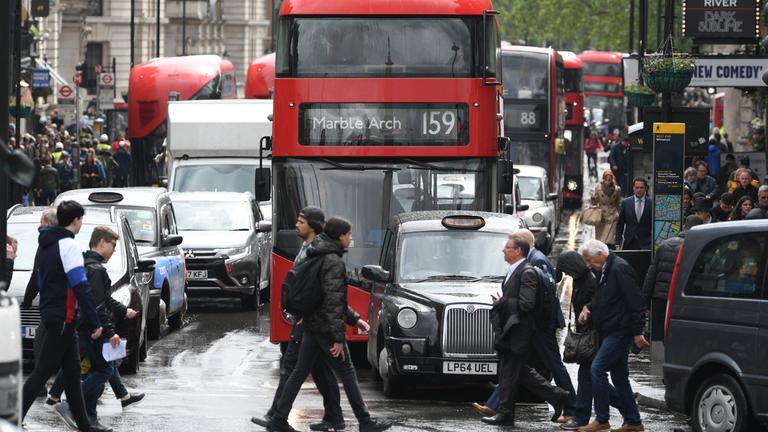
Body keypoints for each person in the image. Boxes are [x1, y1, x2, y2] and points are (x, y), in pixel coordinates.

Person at [266, 217, 392, 432]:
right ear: (340, 236)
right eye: (349, 235)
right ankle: (365, 421)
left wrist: (354, 319)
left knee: (298, 372)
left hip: (311, 327)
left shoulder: (316, 253)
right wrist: (338, 338)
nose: (350, 239)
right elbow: (333, 303)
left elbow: (328, 298)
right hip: (325, 329)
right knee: (348, 373)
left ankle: (278, 419)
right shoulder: (333, 261)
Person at [21, 201, 111, 432]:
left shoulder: (45, 244)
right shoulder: (68, 245)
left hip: (54, 314)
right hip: (65, 316)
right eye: (81, 219)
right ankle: (11, 416)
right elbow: (80, 286)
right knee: (42, 372)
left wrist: (30, 301)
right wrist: (94, 322)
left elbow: (39, 280)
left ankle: (83, 424)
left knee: (72, 375)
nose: (81, 223)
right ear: (75, 220)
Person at [473, 230, 576, 423]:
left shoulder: (529, 269)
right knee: (517, 370)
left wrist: (503, 303)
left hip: (521, 329)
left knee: (512, 368)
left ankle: (505, 412)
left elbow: (527, 303)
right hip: (515, 329)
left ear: (518, 250)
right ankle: (556, 397)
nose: (503, 250)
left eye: (507, 247)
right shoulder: (515, 269)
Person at [577, 239, 647, 432]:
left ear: (600, 255)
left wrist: (638, 331)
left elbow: (636, 301)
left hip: (620, 330)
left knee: (597, 369)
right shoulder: (605, 269)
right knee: (619, 377)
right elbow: (602, 297)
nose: (588, 264)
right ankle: (633, 421)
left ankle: (602, 419)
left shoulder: (619, 269)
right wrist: (589, 307)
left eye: (589, 260)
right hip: (611, 329)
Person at [556, 251, 625, 431]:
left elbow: (599, 304)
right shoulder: (580, 279)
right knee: (590, 377)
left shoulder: (591, 279)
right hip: (589, 334)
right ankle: (627, 407)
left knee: (587, 376)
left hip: (595, 335)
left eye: (567, 270)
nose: (567, 275)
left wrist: (587, 314)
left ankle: (582, 417)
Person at [641, 215, 703, 341]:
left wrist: (644, 302)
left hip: (660, 297)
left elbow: (651, 275)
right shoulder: (696, 248)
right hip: (680, 299)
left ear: (684, 226)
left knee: (658, 335)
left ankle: (658, 359)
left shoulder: (665, 245)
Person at [615, 177, 652, 250]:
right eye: (637, 187)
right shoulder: (626, 203)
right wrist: (617, 242)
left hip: (646, 244)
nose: (639, 190)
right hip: (629, 243)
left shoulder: (651, 203)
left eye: (641, 188)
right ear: (633, 188)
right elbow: (620, 224)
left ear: (645, 188)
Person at [591, 170, 622, 248]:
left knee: (610, 241)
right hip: (602, 217)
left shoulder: (617, 189)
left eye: (609, 179)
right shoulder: (598, 188)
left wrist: (618, 214)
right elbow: (595, 203)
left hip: (612, 216)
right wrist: (593, 198)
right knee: (601, 241)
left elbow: (618, 203)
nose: (607, 181)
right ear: (603, 179)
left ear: (612, 179)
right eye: (606, 179)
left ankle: (610, 252)